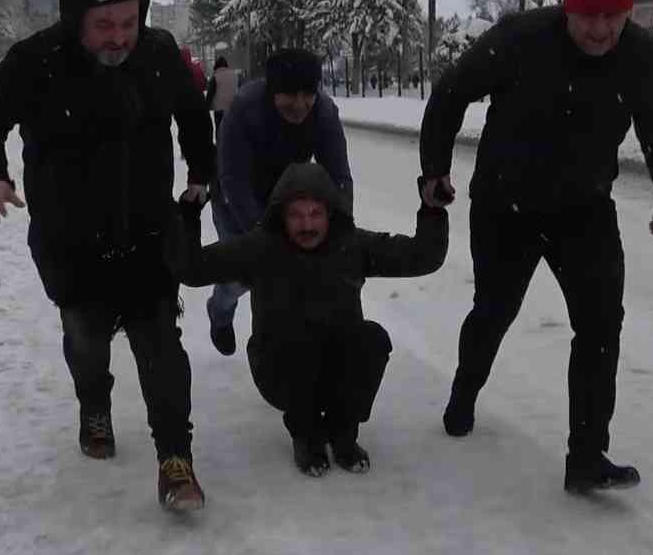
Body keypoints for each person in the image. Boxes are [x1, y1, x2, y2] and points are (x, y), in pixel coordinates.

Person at [417, 0, 653, 494]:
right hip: (504, 203)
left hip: (583, 207)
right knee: (494, 310)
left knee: (600, 324)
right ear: (566, 8)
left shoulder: (642, 58)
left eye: (611, 17)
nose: (598, 29)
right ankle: (464, 392)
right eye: (586, 16)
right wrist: (433, 171)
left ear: (627, 13)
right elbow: (451, 92)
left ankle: (586, 455)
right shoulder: (519, 38)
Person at [0, 0, 215, 512]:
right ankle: (94, 405)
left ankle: (176, 460)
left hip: (148, 233)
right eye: (104, 25)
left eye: (128, 22)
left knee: (160, 345)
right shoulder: (35, 62)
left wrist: (200, 172)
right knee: (87, 340)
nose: (119, 36)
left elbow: (194, 115)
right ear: (76, 17)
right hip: (69, 243)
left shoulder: (158, 54)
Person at [166, 162, 447, 476]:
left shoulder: (351, 245)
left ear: (331, 215)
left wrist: (432, 209)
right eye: (296, 215)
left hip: (335, 363)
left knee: (371, 339)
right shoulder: (260, 249)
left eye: (315, 214)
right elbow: (194, 270)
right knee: (296, 337)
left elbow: (423, 257)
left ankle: (343, 433)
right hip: (280, 368)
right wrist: (188, 218)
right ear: (281, 216)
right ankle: (307, 435)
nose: (307, 225)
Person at [206, 48, 353, 356]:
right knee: (244, 274)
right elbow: (232, 177)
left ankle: (284, 346)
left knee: (293, 272)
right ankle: (219, 311)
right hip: (233, 194)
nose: (299, 105)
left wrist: (341, 227)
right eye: (289, 95)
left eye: (307, 95)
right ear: (272, 92)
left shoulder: (324, 112)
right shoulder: (244, 108)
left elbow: (339, 177)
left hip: (286, 194)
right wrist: (263, 233)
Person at [205, 55, 239, 132]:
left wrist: (206, 108)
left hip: (219, 110)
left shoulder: (215, 77)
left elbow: (210, 94)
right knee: (231, 130)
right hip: (232, 108)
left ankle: (220, 143)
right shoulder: (235, 75)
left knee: (220, 131)